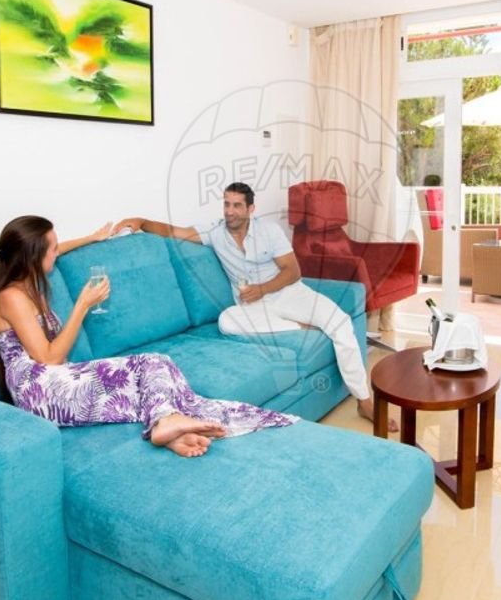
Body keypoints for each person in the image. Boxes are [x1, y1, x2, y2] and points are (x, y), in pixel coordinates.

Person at [0, 215, 296, 458]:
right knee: (146, 367)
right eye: (52, 248)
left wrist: (91, 238)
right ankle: (166, 422)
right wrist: (82, 305)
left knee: (159, 364)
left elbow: (55, 250)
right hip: (40, 392)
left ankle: (167, 426)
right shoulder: (12, 297)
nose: (57, 251)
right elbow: (48, 358)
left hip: (57, 378)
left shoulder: (28, 279)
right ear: (32, 256)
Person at [115, 182, 395, 431]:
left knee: (340, 322)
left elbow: (293, 271)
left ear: (251, 209)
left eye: (237, 205)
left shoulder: (269, 231)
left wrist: (262, 289)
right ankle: (299, 326)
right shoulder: (215, 232)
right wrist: (142, 221)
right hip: (253, 308)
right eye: (227, 204)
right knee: (227, 321)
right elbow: (174, 232)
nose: (230, 211)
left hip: (288, 293)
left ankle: (364, 401)